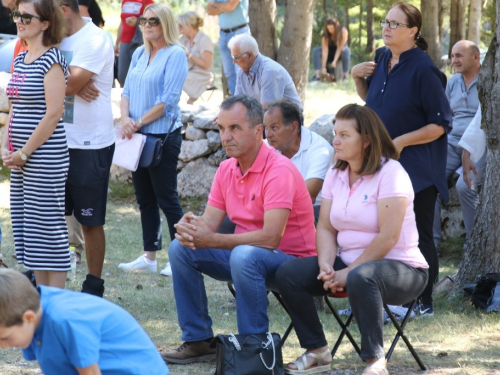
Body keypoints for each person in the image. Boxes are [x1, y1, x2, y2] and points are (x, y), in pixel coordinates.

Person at [161, 95, 316, 365]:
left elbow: (270, 238)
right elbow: (208, 225)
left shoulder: (279, 170)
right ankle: (198, 341)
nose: (225, 136)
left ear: (258, 132)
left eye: (234, 128)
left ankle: (253, 351)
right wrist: (190, 229)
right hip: (246, 258)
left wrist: (212, 239)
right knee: (180, 249)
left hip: (293, 263)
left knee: (244, 255)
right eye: (221, 128)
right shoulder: (226, 169)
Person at [276, 104, 429, 375]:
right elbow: (324, 227)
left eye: (344, 135)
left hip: (402, 269)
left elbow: (389, 236)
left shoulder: (391, 173)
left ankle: (375, 362)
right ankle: (317, 351)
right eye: (335, 133)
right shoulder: (336, 174)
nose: (335, 140)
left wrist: (348, 272)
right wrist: (326, 265)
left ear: (366, 139)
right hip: (348, 266)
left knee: (362, 276)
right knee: (288, 273)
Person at [351, 1, 451, 317]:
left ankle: (423, 303)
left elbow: (440, 124)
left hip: (418, 168)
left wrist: (402, 141)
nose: (387, 27)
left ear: (413, 31)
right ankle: (385, 300)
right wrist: (357, 78)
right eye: (386, 21)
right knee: (384, 233)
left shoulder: (424, 69)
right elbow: (375, 101)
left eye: (395, 24)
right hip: (383, 166)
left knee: (418, 235)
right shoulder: (382, 58)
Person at [1, 0, 69, 288]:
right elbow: (14, 107)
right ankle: (43, 296)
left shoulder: (52, 60)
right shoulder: (20, 57)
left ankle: (57, 305)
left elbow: (54, 114)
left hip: (44, 156)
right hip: (20, 157)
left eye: (27, 16)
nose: (19, 20)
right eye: (18, 14)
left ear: (46, 23)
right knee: (29, 230)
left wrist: (24, 152)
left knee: (48, 230)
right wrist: (7, 147)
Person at [117, 3, 186, 277]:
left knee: (167, 197)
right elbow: (126, 91)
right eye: (144, 20)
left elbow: (168, 101)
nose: (146, 25)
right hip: (137, 135)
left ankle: (180, 256)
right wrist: (125, 119)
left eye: (153, 21)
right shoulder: (138, 53)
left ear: (165, 24)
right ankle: (149, 256)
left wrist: (139, 122)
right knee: (144, 198)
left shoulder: (176, 54)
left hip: (162, 136)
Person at [0, 268, 169, 374]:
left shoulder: (64, 319)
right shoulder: (31, 314)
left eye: (5, 338)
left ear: (28, 317)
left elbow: (90, 372)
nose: (2, 345)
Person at [58, 0, 115, 297]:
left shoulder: (95, 39)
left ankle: (94, 286)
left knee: (90, 220)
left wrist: (71, 82)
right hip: (55, 139)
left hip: (90, 143)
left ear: (64, 9)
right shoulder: (52, 35)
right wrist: (72, 80)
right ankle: (45, 275)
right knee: (53, 216)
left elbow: (66, 85)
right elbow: (33, 73)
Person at [433, 40, 484, 249]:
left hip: (478, 144)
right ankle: (431, 245)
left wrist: (469, 148)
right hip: (452, 142)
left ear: (476, 57)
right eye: (453, 55)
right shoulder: (453, 82)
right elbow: (445, 115)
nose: (454, 60)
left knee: (465, 186)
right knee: (430, 182)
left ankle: (472, 246)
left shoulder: (488, 81)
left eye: (459, 56)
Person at [264, 100, 333, 219]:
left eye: (274, 127)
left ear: (294, 127)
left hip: (314, 212)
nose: (268, 134)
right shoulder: (267, 146)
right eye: (266, 128)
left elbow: (307, 197)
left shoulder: (319, 149)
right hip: (273, 207)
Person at [230, 34, 303, 110]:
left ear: (249, 55)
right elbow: (237, 104)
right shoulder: (242, 72)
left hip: (287, 119)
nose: (234, 61)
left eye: (236, 57)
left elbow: (268, 112)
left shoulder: (269, 71)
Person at [207, 0, 249, 96]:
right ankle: (235, 103)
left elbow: (229, 7)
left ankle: (244, 103)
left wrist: (216, 5)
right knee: (229, 74)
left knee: (240, 72)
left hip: (239, 33)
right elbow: (210, 11)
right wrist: (223, 6)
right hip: (223, 34)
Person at [115, 0, 154, 87]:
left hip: (139, 42)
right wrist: (117, 42)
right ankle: (126, 96)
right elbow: (122, 22)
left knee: (138, 73)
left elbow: (153, 21)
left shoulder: (147, 2)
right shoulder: (125, 1)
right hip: (125, 41)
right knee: (122, 74)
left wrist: (138, 21)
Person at [178, 10, 214, 104]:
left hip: (202, 75)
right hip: (188, 72)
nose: (180, 28)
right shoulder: (183, 39)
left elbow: (206, 65)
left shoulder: (204, 40)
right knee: (174, 76)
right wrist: (176, 33)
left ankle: (186, 105)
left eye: (181, 26)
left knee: (180, 79)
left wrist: (189, 55)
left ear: (189, 26)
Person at [311, 17, 351, 82]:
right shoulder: (325, 35)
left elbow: (340, 48)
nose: (330, 30)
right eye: (328, 28)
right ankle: (317, 76)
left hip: (340, 51)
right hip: (329, 52)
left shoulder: (343, 31)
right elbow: (325, 51)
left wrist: (334, 61)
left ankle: (345, 76)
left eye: (332, 28)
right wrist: (323, 67)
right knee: (316, 50)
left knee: (346, 51)